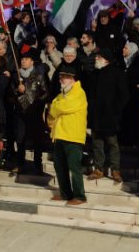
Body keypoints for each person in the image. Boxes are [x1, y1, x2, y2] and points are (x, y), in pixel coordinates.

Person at [47, 66, 88, 205]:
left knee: (74, 167)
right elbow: (52, 109)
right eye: (60, 78)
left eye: (63, 77)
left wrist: (56, 107)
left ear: (71, 79)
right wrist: (55, 108)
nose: (60, 80)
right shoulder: (62, 94)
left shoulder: (79, 92)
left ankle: (80, 196)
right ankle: (65, 194)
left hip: (73, 136)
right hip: (59, 134)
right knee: (60, 166)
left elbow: (61, 107)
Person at [87, 48, 129, 183]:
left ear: (106, 59)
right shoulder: (94, 74)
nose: (95, 58)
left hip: (111, 116)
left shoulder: (117, 73)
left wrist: (117, 110)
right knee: (97, 143)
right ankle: (98, 169)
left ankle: (115, 170)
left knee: (112, 144)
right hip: (96, 116)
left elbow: (124, 95)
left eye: (98, 57)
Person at [11, 49, 49, 174]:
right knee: (20, 139)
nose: (23, 61)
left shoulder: (38, 75)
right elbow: (9, 94)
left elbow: (45, 93)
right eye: (22, 60)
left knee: (37, 140)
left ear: (32, 62)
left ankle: (38, 166)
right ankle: (20, 164)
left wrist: (38, 104)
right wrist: (17, 90)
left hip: (35, 112)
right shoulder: (16, 76)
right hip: (21, 113)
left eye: (26, 60)